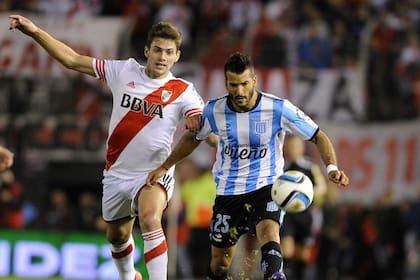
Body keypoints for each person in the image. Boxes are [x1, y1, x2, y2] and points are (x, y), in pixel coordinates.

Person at [9, 15, 204, 280]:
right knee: (117, 236)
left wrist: (196, 125)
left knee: (149, 217)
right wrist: (34, 31)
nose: (162, 57)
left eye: (169, 52)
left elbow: (200, 126)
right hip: (117, 174)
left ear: (177, 56)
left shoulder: (184, 91)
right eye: (157, 50)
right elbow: (72, 59)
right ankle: (128, 277)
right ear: (147, 50)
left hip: (154, 172)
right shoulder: (123, 71)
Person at [146, 53, 350, 280]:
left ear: (254, 80)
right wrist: (165, 166)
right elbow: (192, 138)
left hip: (266, 187)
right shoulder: (215, 110)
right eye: (234, 85)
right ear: (226, 84)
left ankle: (274, 275)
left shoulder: (278, 108)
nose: (240, 91)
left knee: (269, 231)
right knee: (220, 263)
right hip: (228, 193)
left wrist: (332, 168)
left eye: (244, 83)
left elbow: (317, 135)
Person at [281, 134, 327, 280]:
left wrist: (305, 191)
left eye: (295, 146)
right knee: (286, 250)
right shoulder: (280, 167)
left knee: (303, 255)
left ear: (301, 148)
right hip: (286, 215)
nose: (292, 150)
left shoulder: (310, 167)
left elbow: (322, 188)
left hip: (305, 215)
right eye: (289, 147)